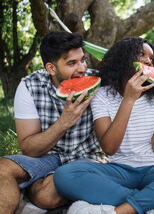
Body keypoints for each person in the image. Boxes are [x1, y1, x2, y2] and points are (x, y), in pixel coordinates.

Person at [53, 36, 154, 214]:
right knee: (65, 175)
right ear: (123, 57)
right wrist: (128, 99)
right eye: (141, 54)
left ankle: (127, 209)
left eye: (151, 58)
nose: (148, 61)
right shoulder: (102, 95)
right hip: (119, 172)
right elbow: (109, 148)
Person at [0, 31, 107, 214]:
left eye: (82, 60)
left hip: (88, 155)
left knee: (45, 196)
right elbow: (29, 148)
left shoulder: (99, 82)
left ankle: (33, 187)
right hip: (47, 156)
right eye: (72, 63)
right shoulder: (30, 86)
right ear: (51, 68)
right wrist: (64, 122)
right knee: (3, 168)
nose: (81, 68)